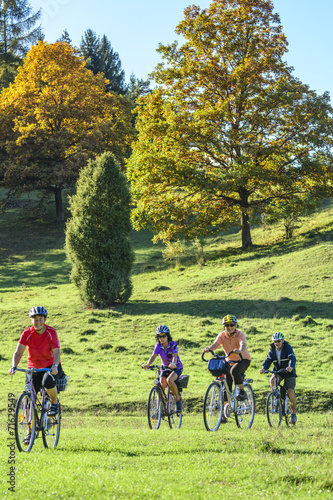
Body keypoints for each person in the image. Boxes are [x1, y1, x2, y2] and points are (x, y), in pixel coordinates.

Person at [9, 306, 64, 425]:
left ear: (44, 319)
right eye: (35, 319)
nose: (38, 322)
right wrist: (14, 366)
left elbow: (57, 352)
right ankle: (30, 432)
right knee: (29, 399)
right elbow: (18, 353)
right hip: (33, 368)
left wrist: (54, 366)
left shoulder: (51, 332)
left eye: (41, 319)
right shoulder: (27, 333)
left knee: (47, 381)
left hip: (50, 366)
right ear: (31, 320)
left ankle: (54, 402)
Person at [202, 314, 251, 402]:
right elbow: (216, 344)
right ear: (224, 326)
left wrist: (240, 350)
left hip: (243, 360)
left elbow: (242, 344)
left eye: (231, 325)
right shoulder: (222, 335)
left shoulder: (240, 334)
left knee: (234, 371)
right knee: (226, 385)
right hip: (229, 361)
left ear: (235, 325)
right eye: (227, 325)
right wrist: (209, 349)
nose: (229, 327)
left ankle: (242, 391)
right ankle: (225, 410)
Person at [143, 325, 183, 412]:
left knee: (170, 380)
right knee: (161, 386)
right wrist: (148, 364)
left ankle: (177, 400)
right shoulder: (158, 346)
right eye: (159, 336)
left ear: (167, 336)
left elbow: (175, 356)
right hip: (164, 368)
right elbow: (153, 356)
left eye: (164, 336)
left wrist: (173, 363)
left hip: (176, 368)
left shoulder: (173, 344)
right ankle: (159, 411)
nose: (162, 338)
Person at [259, 332, 297, 424]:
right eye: (275, 341)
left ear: (283, 341)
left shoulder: (287, 347)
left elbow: (292, 358)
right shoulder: (272, 349)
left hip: (288, 371)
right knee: (272, 380)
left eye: (279, 341)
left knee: (290, 391)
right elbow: (268, 360)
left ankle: (293, 413)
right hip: (278, 370)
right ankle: (275, 399)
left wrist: (290, 367)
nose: (277, 343)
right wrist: (264, 368)